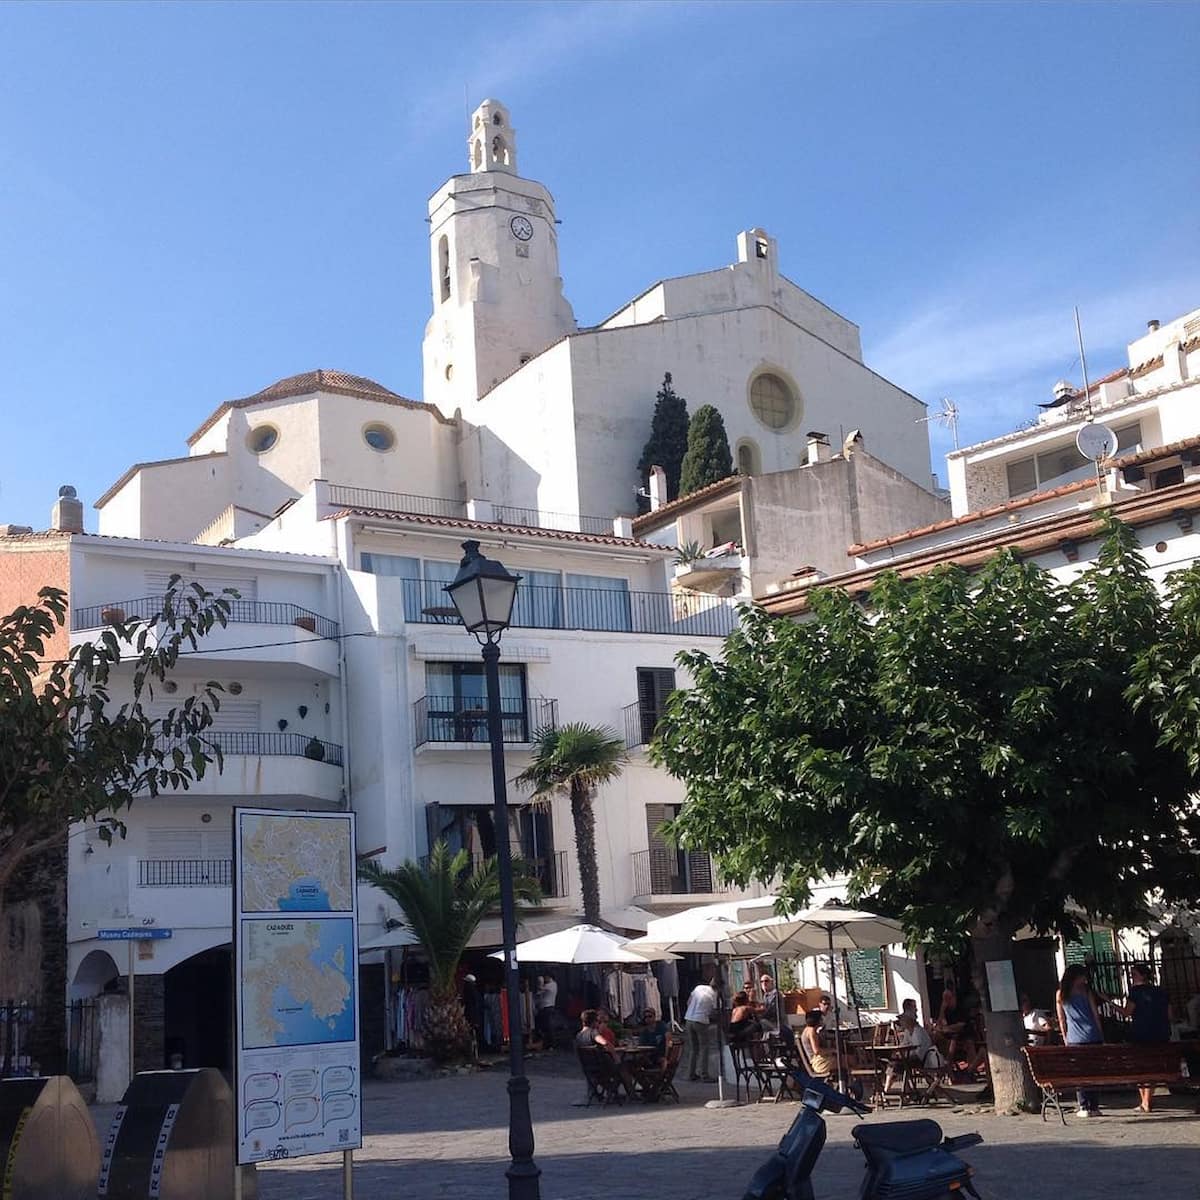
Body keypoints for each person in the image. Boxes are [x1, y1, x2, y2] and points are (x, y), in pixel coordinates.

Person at [1115, 964, 1171, 1112]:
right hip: (1160, 1033)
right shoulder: (1161, 991)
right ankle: (1146, 1100)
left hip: (1141, 1033)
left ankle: (1145, 1101)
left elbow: (1126, 1013)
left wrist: (1110, 1003)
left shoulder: (1135, 992)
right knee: (1152, 1067)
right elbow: (1170, 1014)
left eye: (1134, 974)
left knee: (1141, 1067)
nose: (1131, 977)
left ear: (1142, 975)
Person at [1056, 964, 1104, 1118]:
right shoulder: (1086, 991)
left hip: (1074, 1038)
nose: (1085, 980)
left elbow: (1062, 1019)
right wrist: (1100, 1033)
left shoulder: (1061, 994)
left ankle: (1083, 1105)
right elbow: (1095, 1014)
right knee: (1094, 1071)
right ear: (1076, 977)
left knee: (1080, 1072)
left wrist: (1065, 1037)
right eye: (1083, 976)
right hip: (1092, 1036)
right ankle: (1094, 1106)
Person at [684, 966, 720, 1082]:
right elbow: (714, 1012)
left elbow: (688, 1002)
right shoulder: (715, 995)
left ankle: (690, 1074)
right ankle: (704, 1074)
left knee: (693, 1048)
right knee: (704, 1048)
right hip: (701, 1021)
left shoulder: (698, 988)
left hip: (689, 1019)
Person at [801, 1009, 833, 1078]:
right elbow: (817, 1051)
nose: (822, 1020)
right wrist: (833, 1050)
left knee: (845, 1058)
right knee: (849, 1059)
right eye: (821, 1019)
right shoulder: (811, 1031)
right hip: (819, 1063)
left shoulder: (807, 1030)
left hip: (818, 1061)